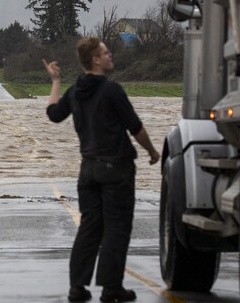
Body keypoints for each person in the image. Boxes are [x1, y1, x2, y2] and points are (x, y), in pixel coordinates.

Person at [43, 37, 160, 303]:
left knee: (90, 227)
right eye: (106, 53)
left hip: (88, 171)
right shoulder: (112, 90)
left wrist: (56, 81)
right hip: (116, 170)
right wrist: (152, 152)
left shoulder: (74, 92)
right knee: (117, 228)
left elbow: (53, 114)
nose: (111, 56)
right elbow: (135, 126)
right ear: (95, 60)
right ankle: (111, 288)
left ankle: (77, 287)